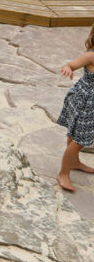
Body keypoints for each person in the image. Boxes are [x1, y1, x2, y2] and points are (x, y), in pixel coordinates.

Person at [55, 25, 94, 191]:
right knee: (79, 140)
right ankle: (63, 173)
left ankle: (74, 162)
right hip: (84, 101)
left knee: (75, 135)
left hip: (89, 102)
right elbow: (71, 65)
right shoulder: (91, 55)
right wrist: (67, 68)